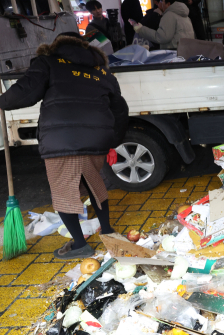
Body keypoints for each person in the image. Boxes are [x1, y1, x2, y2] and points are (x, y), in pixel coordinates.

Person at [0, 32, 128, 260]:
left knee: (63, 193)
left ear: (57, 45)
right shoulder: (101, 70)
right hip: (96, 141)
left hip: (63, 141)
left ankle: (80, 245)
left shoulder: (48, 62)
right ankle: (108, 232)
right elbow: (120, 108)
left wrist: (3, 101)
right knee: (94, 184)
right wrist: (112, 141)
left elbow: (24, 92)